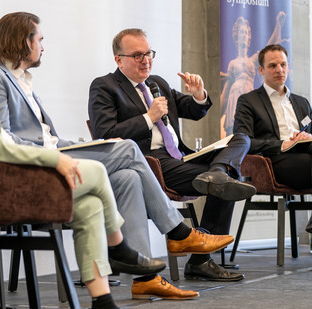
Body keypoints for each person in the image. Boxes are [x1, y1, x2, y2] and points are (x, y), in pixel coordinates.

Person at [0, 2, 172, 308]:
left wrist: (66, 149)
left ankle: (102, 300)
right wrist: (54, 158)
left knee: (88, 204)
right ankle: (121, 246)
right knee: (100, 171)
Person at [0, 12, 235, 301]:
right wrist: (58, 153)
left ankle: (145, 279)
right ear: (23, 40)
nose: (43, 47)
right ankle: (178, 231)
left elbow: (48, 136)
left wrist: (74, 145)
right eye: (40, 39)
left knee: (127, 177)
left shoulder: (23, 81)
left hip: (56, 153)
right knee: (128, 148)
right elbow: (1, 138)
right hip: (35, 169)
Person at [88, 28, 256, 284]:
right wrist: (148, 118)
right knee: (227, 184)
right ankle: (202, 260)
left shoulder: (157, 83)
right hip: (151, 164)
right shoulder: (105, 86)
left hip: (180, 158)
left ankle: (218, 171)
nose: (146, 60)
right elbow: (105, 133)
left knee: (240, 139)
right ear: (118, 59)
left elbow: (192, 109)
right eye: (137, 55)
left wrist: (198, 95)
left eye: (148, 53)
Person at [233, 44, 312, 271]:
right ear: (261, 70)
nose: (279, 69)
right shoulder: (248, 101)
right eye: (272, 65)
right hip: (276, 162)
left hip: (307, 156)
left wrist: (307, 137)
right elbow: (244, 140)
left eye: (283, 64)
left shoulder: (301, 102)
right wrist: (284, 143)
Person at [219, 12, 286, 137]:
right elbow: (227, 90)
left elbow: (269, 48)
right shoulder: (232, 63)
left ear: (249, 37)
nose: (244, 35)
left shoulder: (253, 59)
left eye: (246, 33)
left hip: (248, 93)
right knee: (233, 137)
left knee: (250, 131)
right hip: (234, 97)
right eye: (241, 32)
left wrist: (278, 25)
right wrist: (219, 110)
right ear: (236, 37)